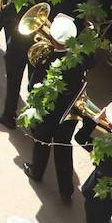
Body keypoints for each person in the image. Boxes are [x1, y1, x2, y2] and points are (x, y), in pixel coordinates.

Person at [22, 14, 84, 203]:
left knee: (41, 141)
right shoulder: (79, 57)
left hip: (48, 111)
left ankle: (37, 171)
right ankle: (66, 191)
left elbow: (33, 86)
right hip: (69, 112)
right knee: (63, 149)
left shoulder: (46, 58)